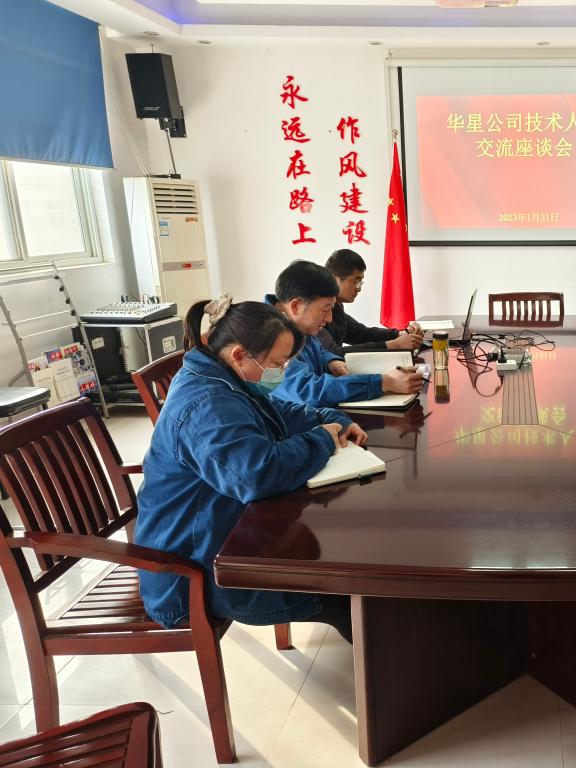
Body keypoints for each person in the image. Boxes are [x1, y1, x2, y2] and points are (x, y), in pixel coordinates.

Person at [135, 297, 367, 640]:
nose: (281, 372)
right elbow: (256, 475)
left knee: (343, 562)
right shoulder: (206, 404)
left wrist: (328, 417)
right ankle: (390, 665)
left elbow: (278, 413)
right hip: (194, 570)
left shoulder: (225, 376)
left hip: (227, 533)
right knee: (347, 589)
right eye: (277, 363)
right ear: (240, 354)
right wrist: (321, 440)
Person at [266, 260, 422, 409]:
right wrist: (383, 383)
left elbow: (320, 351)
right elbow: (307, 391)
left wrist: (331, 361)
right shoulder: (267, 338)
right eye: (325, 309)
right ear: (296, 306)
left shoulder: (297, 323)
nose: (329, 319)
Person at [319, 248, 424, 357]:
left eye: (360, 282)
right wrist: (393, 345)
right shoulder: (317, 311)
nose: (359, 289)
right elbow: (333, 353)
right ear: (335, 279)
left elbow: (361, 333)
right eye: (355, 281)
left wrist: (400, 333)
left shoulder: (337, 307)